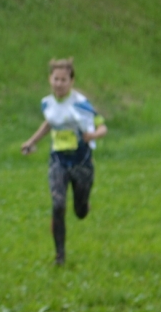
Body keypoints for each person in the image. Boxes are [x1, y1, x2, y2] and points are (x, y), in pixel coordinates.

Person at [20, 58, 107, 266]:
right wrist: (31, 142)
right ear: (50, 79)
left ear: (71, 81)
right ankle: (60, 256)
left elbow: (102, 126)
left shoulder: (81, 104)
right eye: (55, 79)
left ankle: (84, 205)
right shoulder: (47, 103)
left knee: (79, 211)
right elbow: (50, 123)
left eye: (64, 80)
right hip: (58, 160)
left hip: (81, 162)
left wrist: (93, 136)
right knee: (58, 205)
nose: (59, 84)